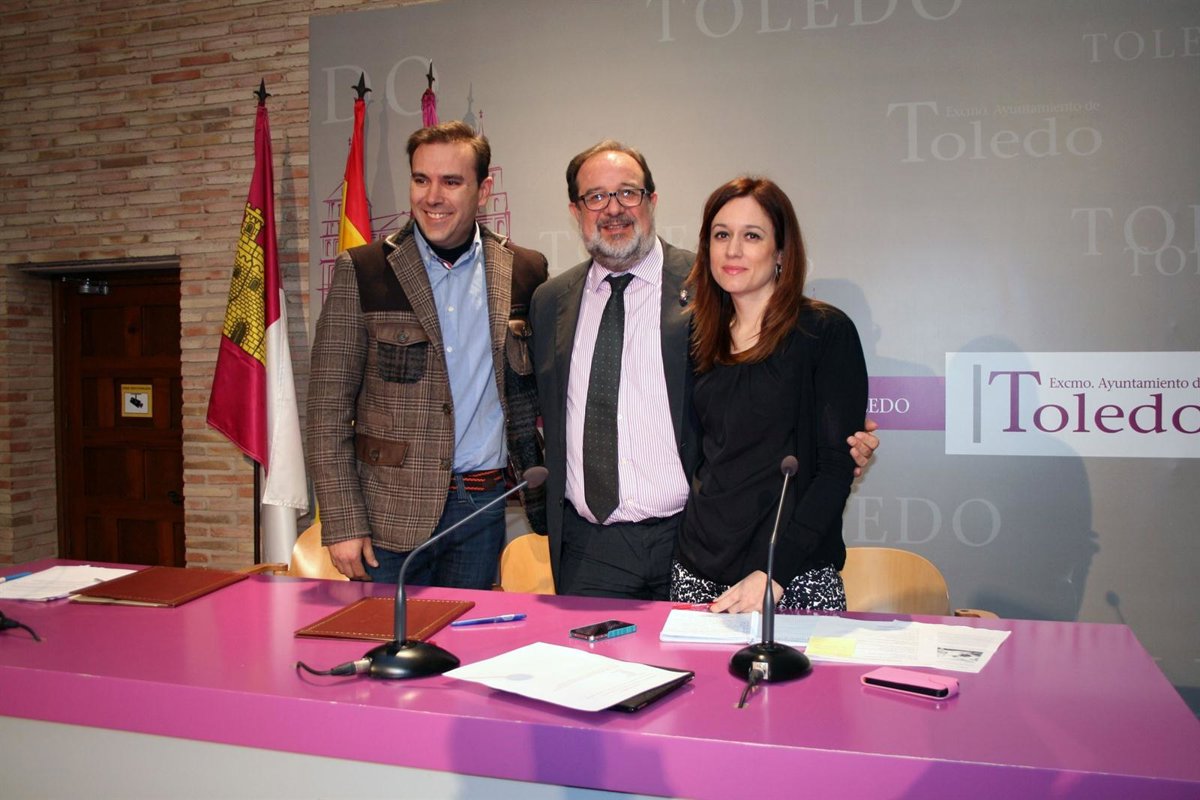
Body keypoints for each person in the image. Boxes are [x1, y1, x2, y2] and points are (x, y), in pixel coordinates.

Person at [529, 140, 878, 600]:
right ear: (575, 211)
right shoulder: (550, 302)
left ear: (652, 200)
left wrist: (841, 447)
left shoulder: (708, 291)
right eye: (596, 196)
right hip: (599, 548)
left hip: (693, 535)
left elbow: (800, 438)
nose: (613, 208)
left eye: (628, 192)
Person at [307, 120, 547, 588]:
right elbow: (326, 409)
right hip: (386, 516)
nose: (432, 196)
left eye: (451, 181)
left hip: (481, 509)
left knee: (464, 635)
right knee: (385, 635)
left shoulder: (525, 270)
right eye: (421, 179)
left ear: (483, 190)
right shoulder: (364, 270)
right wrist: (343, 519)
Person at [672, 176, 867, 613]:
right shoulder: (696, 335)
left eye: (752, 236)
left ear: (781, 252)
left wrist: (774, 571)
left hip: (791, 575)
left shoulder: (825, 332)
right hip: (697, 570)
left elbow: (835, 469)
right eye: (721, 235)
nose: (733, 250)